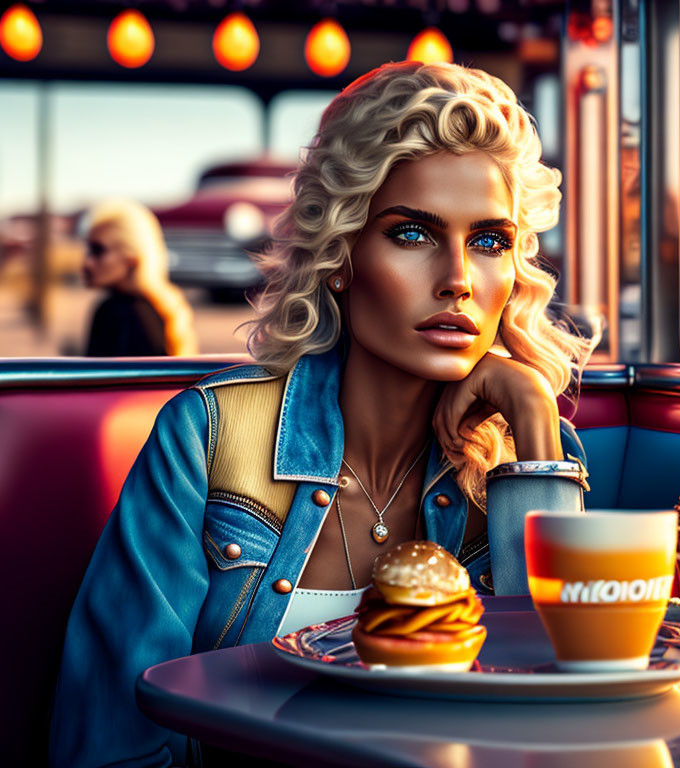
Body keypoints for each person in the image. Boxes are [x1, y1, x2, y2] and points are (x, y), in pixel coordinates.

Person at [50, 61, 592, 767]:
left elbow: (571, 696)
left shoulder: (530, 451)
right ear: (341, 254)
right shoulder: (208, 439)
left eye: (489, 242)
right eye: (413, 234)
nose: (458, 278)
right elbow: (112, 737)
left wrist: (530, 408)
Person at [83, 199, 198, 356]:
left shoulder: (113, 312)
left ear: (132, 258)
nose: (87, 263)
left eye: (98, 251)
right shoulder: (161, 309)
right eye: (89, 250)